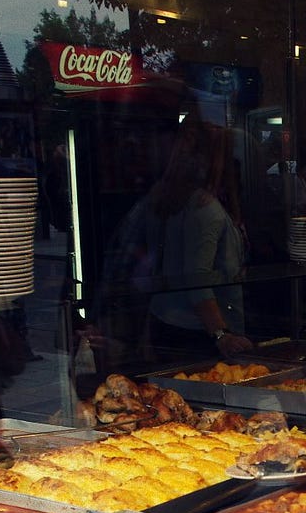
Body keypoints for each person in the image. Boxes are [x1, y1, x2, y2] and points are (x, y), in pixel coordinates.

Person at [102, 114, 253, 362]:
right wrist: (221, 334)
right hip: (199, 334)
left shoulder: (162, 197)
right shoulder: (204, 208)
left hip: (168, 322)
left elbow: (129, 240)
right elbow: (197, 279)